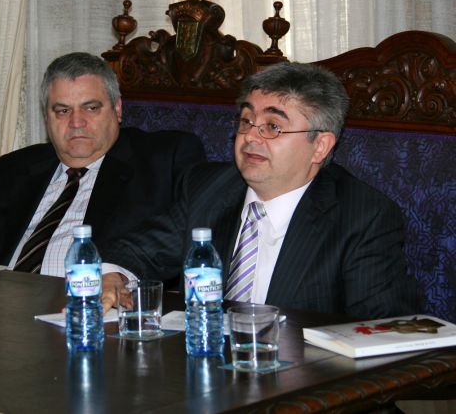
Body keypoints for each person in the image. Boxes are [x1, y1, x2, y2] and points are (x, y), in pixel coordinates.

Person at [99, 62, 418, 319]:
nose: (251, 137)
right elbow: (136, 250)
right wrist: (114, 276)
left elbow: (383, 332)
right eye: (246, 120)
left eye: (273, 127)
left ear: (319, 146)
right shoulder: (207, 187)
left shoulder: (362, 216)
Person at [0, 52, 206, 277]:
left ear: (117, 109)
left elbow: (178, 241)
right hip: (2, 308)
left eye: (91, 108)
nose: (76, 122)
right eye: (62, 110)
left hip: (89, 309)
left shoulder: (162, 161)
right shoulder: (18, 167)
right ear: (46, 117)